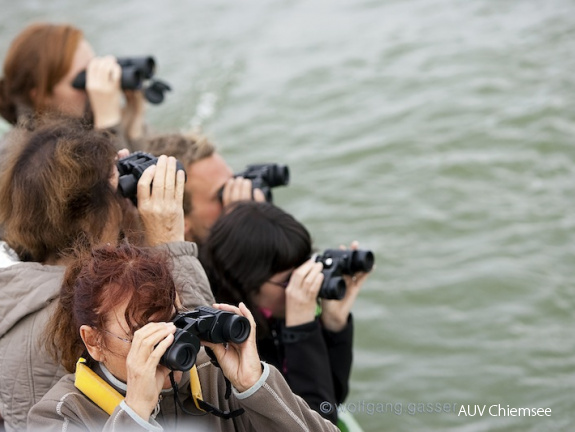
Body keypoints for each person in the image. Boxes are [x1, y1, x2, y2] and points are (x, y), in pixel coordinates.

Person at [0, 121, 213, 431]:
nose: (125, 199)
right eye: (118, 189)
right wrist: (170, 242)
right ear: (89, 215)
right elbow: (200, 365)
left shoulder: (18, 291)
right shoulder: (81, 308)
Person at [27, 242, 339, 432]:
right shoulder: (60, 413)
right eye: (144, 334)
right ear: (94, 340)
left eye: (173, 322)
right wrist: (135, 412)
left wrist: (254, 385)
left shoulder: (212, 375)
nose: (167, 343)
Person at [199, 201, 372, 424]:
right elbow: (315, 421)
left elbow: (332, 400)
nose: (300, 287)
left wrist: (334, 324)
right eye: (288, 280)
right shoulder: (233, 342)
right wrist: (300, 329)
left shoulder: (275, 315)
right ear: (246, 283)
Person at [0, 22, 146, 152]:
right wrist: (108, 125)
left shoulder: (84, 120)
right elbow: (112, 182)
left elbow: (143, 179)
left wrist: (133, 129)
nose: (93, 88)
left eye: (93, 71)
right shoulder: (20, 157)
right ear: (40, 95)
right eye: (82, 80)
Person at [145, 132, 265, 246]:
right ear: (177, 216)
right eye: (221, 193)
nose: (239, 195)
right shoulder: (178, 267)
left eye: (234, 180)